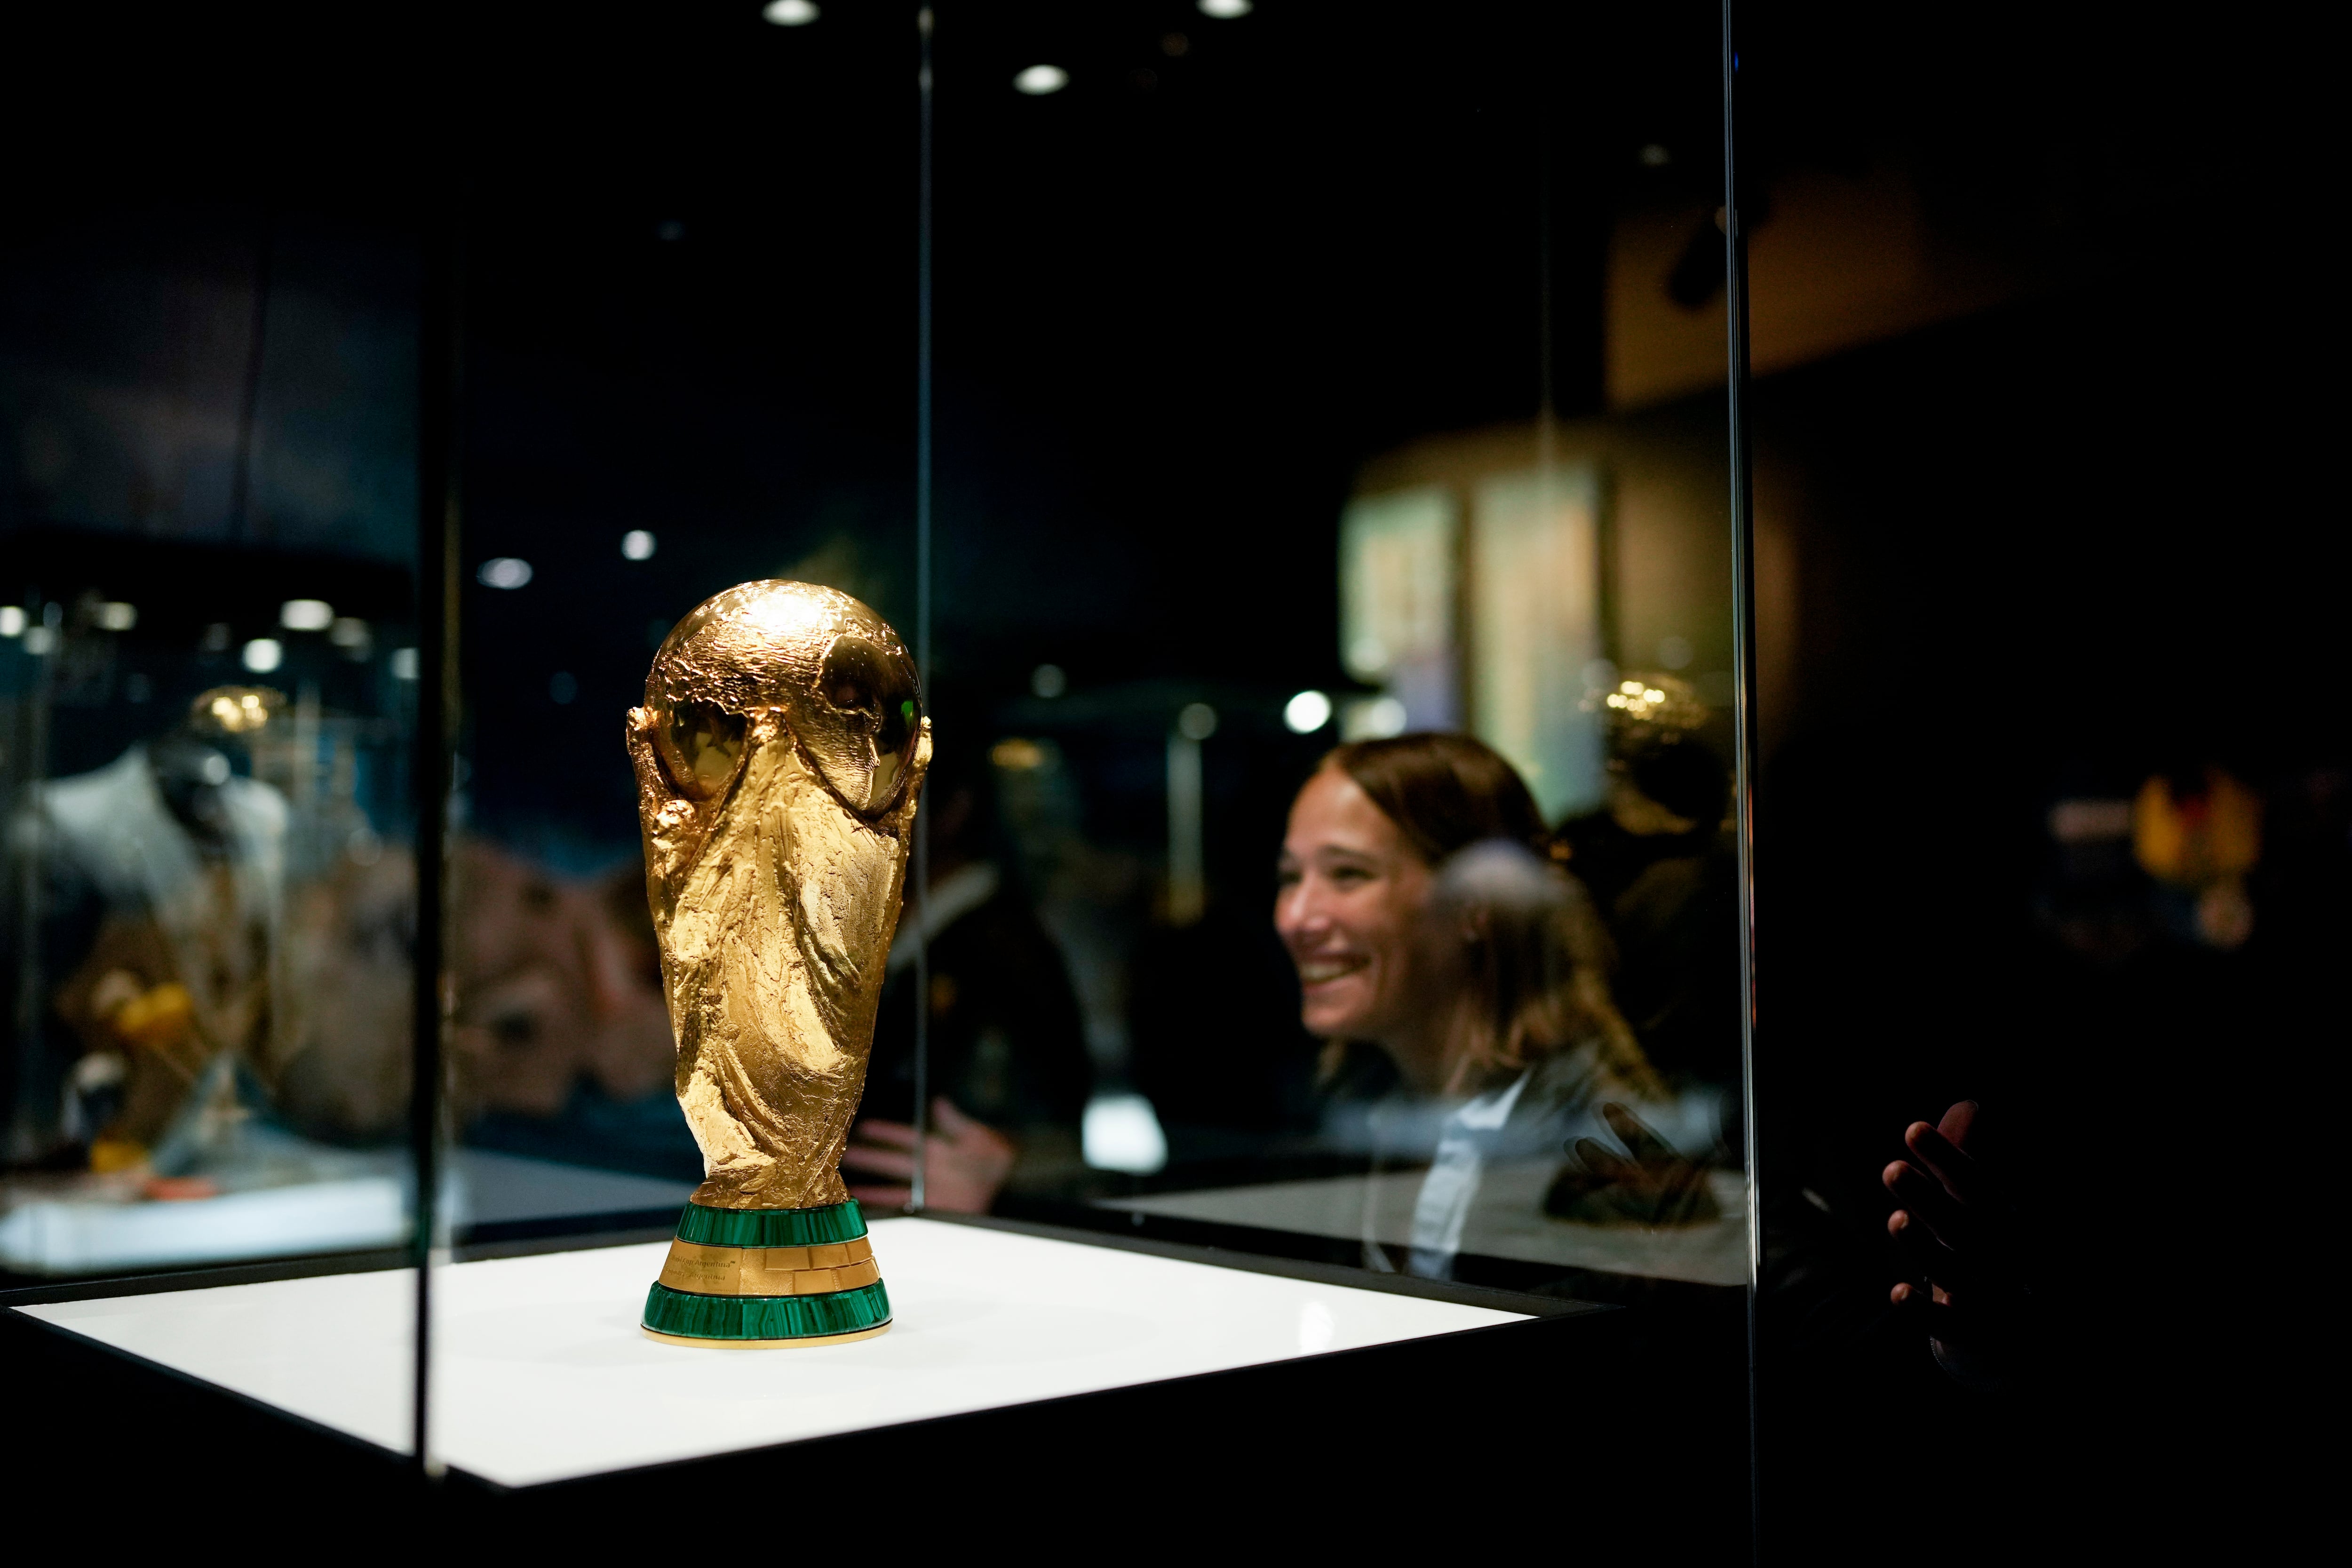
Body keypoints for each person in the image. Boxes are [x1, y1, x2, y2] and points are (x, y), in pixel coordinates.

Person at [1273, 732, 1678, 1278]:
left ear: (1474, 903)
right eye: (1290, 877)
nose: (1297, 917)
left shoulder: (1594, 1146)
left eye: (1347, 874)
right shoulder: (1357, 1109)